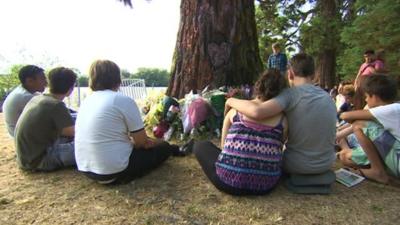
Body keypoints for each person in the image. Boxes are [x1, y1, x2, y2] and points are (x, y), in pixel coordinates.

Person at [75, 59, 184, 185]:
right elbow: (141, 142)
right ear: (118, 79)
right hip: (112, 171)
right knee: (164, 147)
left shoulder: (87, 101)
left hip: (85, 168)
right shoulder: (122, 100)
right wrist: (151, 142)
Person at [225, 53, 337, 175]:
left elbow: (257, 112)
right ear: (314, 75)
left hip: (296, 166)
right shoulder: (328, 98)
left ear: (290, 73)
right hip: (326, 164)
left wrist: (230, 101)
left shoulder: (290, 94)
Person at [193, 69, 288, 195]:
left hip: (227, 182)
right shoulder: (283, 121)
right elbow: (280, 148)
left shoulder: (235, 112)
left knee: (200, 145)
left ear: (257, 86)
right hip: (266, 185)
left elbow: (223, 146)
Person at [338, 75, 399, 184]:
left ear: (374, 97)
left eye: (366, 96)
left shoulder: (392, 109)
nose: (365, 100)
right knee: (344, 157)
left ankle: (377, 172)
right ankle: (382, 170)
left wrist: (367, 108)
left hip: (397, 158)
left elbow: (345, 116)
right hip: (393, 155)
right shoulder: (392, 110)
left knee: (360, 125)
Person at [14, 67, 77, 171]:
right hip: (41, 160)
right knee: (89, 146)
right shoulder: (56, 105)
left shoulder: (38, 98)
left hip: (26, 158)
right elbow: (74, 132)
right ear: (71, 88)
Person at [2, 65, 47, 137]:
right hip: (26, 139)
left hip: (22, 135)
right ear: (30, 81)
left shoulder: (25, 91)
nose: (46, 82)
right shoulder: (25, 97)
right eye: (42, 79)